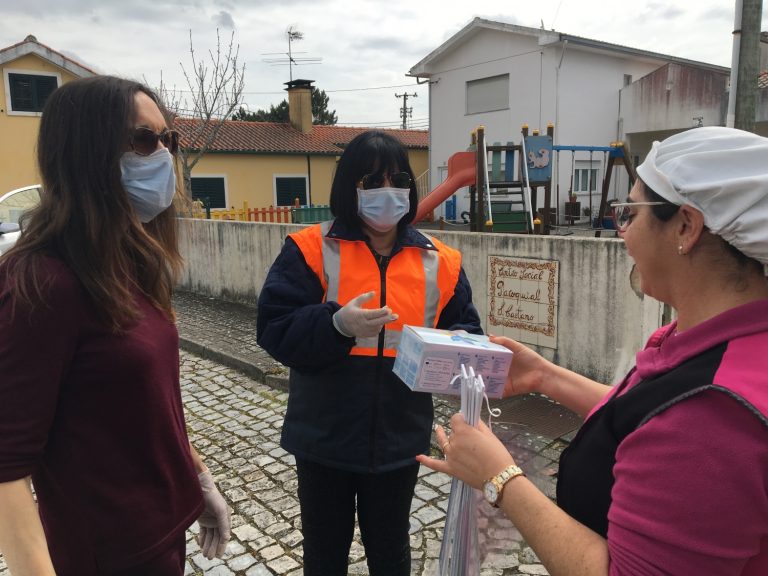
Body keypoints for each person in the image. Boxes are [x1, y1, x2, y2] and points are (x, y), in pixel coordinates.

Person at [418, 126, 768, 575]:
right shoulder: (717, 342)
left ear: (686, 225)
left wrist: (500, 478)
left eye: (631, 213)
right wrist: (546, 376)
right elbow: (647, 418)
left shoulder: (715, 415)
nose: (623, 233)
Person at [0, 76, 231, 575]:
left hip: (162, 538)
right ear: (87, 154)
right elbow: (7, 466)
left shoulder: (131, 263)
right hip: (105, 557)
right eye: (143, 140)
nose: (163, 155)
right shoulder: (44, 281)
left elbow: (148, 404)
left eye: (167, 139)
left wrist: (200, 479)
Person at [257, 130, 482, 575]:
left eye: (397, 179)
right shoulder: (309, 249)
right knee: (324, 555)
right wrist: (335, 324)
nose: (387, 192)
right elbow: (274, 328)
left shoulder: (442, 260)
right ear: (349, 188)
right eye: (372, 182)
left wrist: (464, 352)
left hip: (399, 440)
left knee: (391, 554)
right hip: (323, 439)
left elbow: (466, 333)